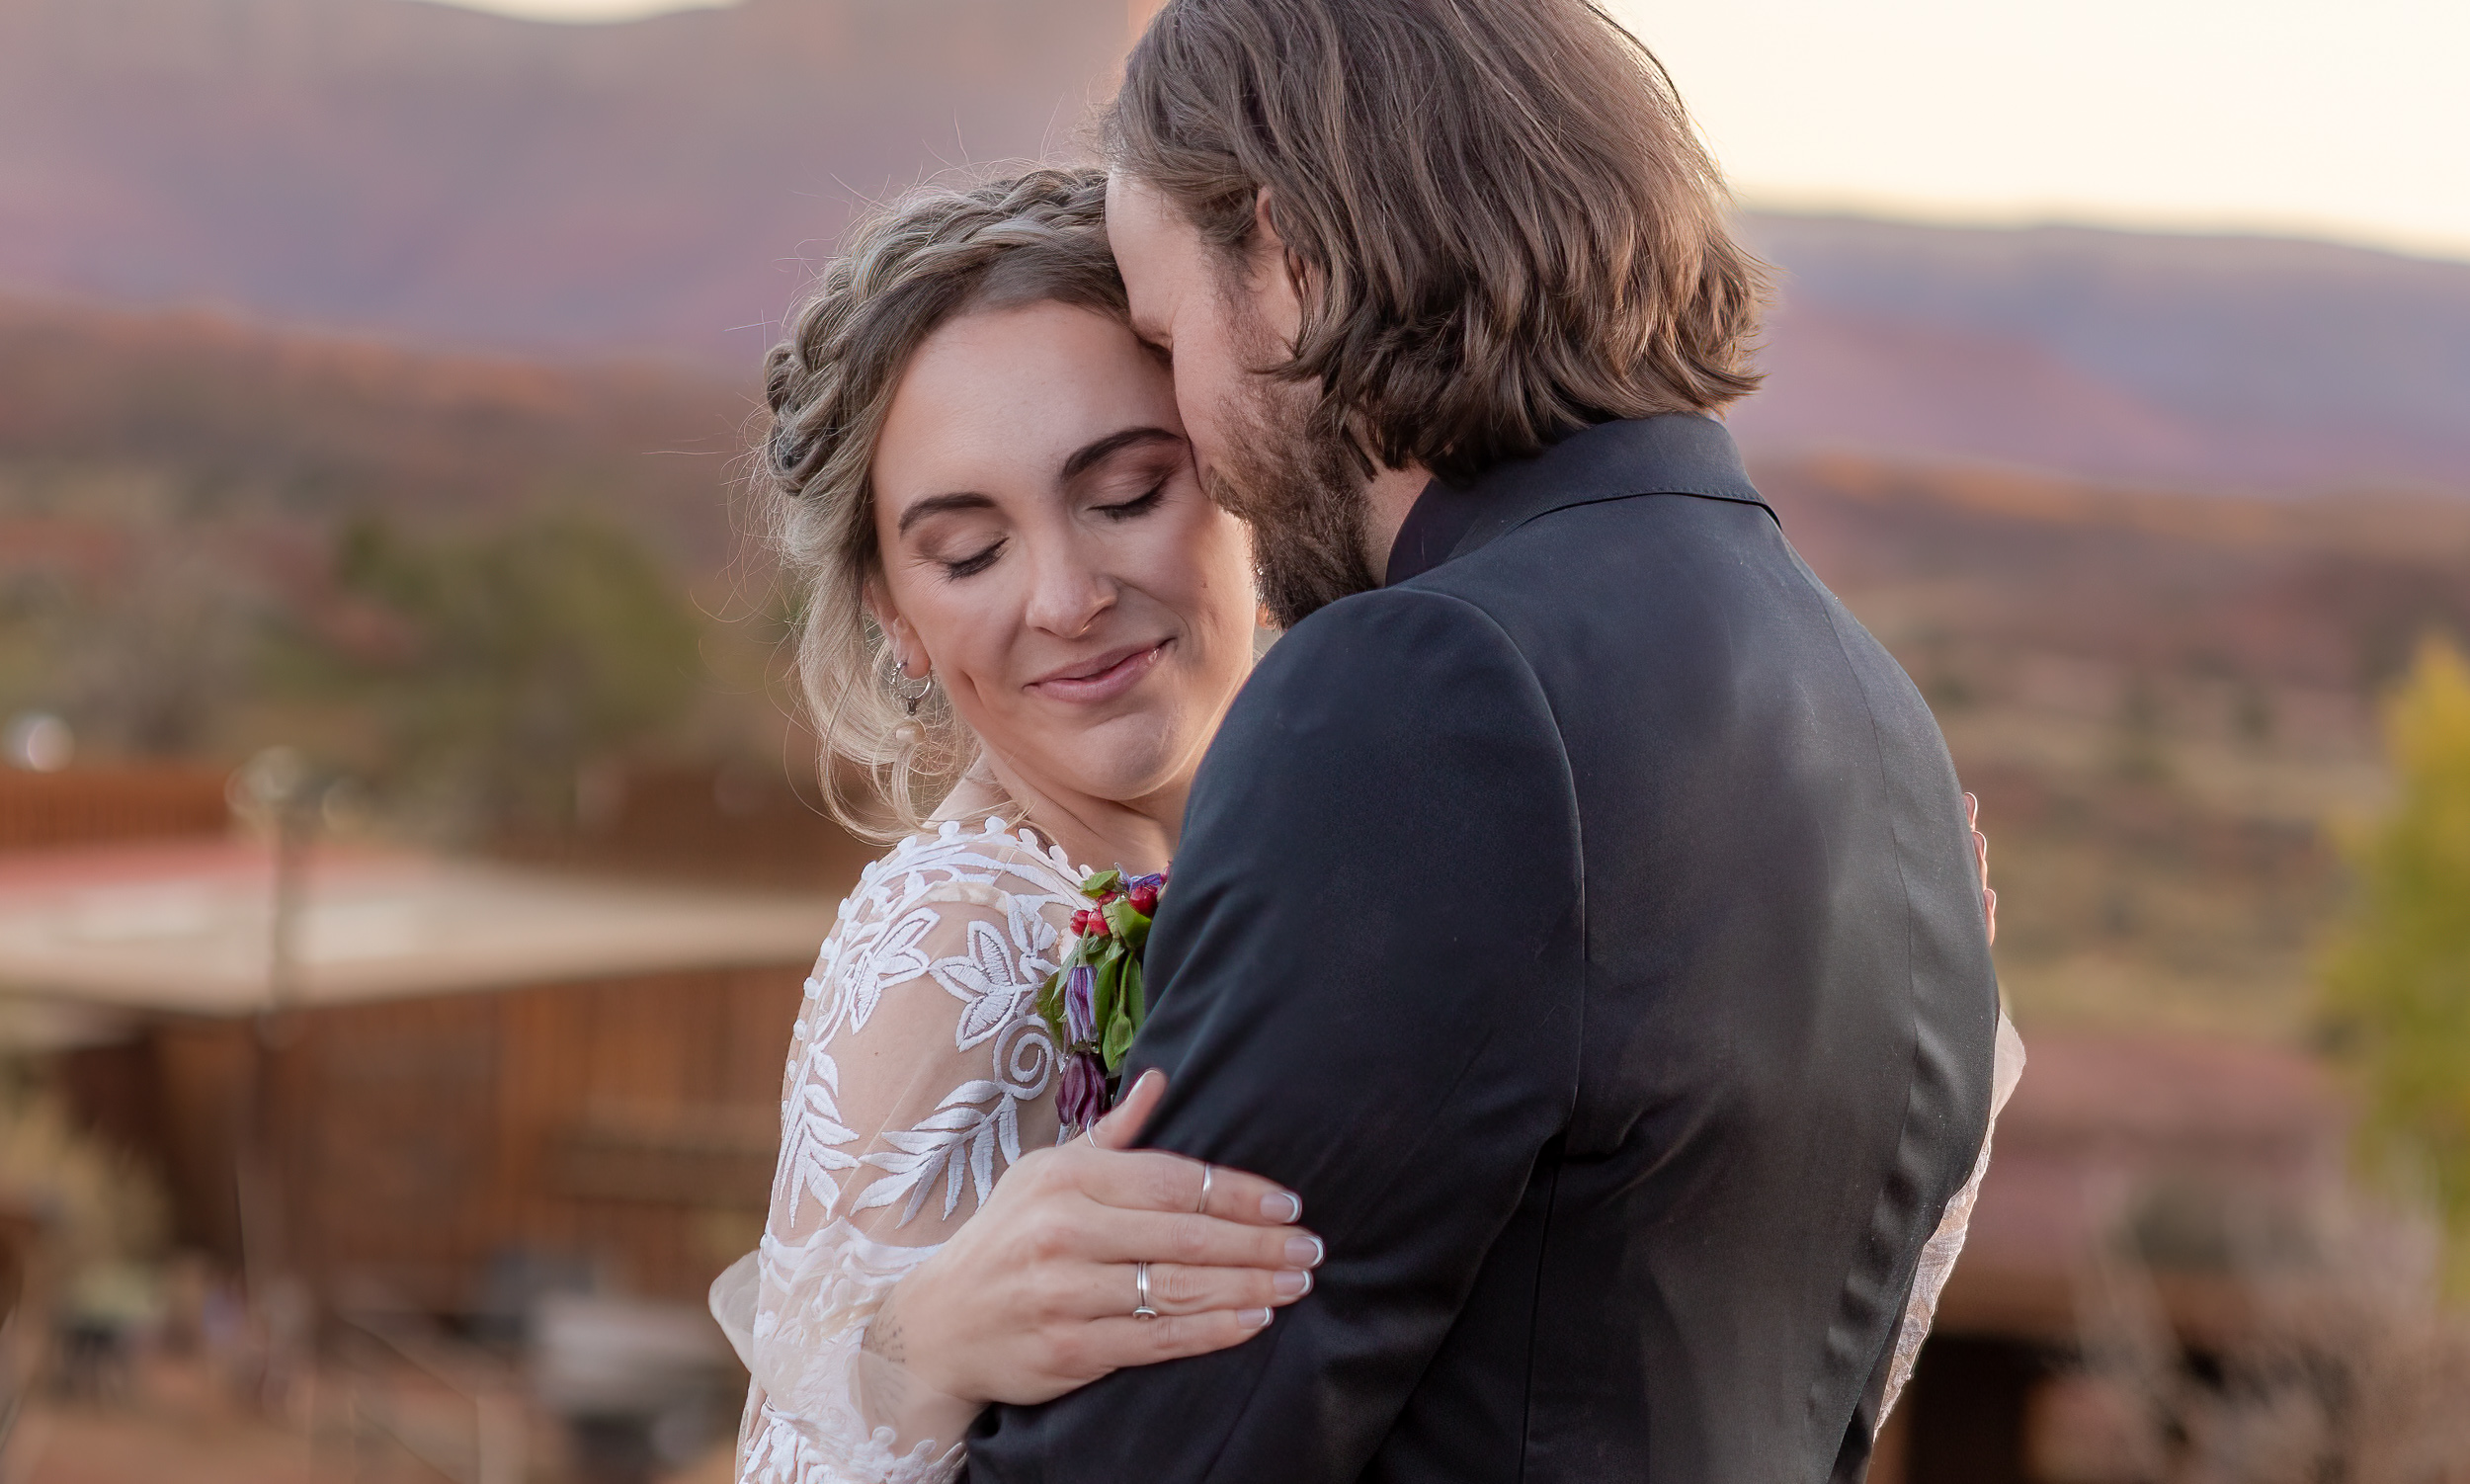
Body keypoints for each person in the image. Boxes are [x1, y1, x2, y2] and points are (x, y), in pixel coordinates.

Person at [961, 0, 2014, 1480]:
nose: (1188, 428)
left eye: (1164, 331)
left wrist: (907, 1345)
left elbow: (1156, 1450)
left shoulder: (1426, 693)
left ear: (1286, 259)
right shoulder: (1876, 710)